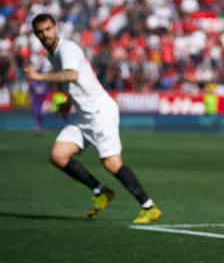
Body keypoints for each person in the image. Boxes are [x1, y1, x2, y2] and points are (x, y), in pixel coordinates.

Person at [24, 13, 162, 224]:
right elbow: (80, 82)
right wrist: (69, 102)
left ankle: (148, 206)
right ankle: (100, 191)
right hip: (83, 115)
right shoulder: (53, 54)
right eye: (40, 32)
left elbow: (72, 75)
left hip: (99, 112)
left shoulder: (66, 49)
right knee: (58, 155)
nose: (45, 35)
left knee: (112, 163)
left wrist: (40, 77)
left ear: (56, 28)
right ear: (36, 34)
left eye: (48, 29)